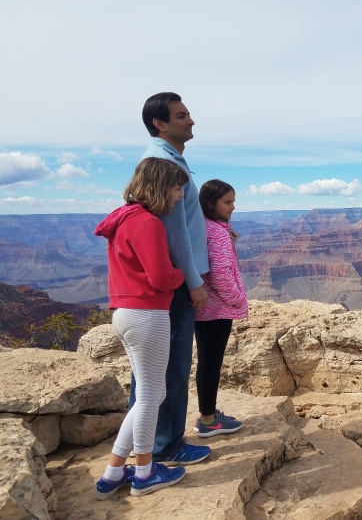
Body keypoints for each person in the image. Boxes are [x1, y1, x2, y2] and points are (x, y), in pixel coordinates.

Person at [93, 158, 189, 498]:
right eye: (177, 187)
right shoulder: (148, 223)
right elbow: (161, 277)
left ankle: (113, 472)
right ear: (162, 186)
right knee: (151, 395)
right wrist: (182, 275)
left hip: (126, 313)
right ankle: (145, 473)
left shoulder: (124, 218)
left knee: (150, 393)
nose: (179, 195)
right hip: (147, 314)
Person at [129, 92, 211, 466]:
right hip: (177, 282)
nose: (191, 120)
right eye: (182, 115)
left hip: (174, 279)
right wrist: (194, 282)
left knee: (153, 370)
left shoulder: (170, 159)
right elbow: (175, 231)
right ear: (160, 124)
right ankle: (165, 445)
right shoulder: (162, 162)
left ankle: (145, 442)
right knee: (171, 367)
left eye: (189, 114)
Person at [193, 180, 248, 437]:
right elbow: (221, 275)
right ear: (210, 203)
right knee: (212, 363)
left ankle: (206, 414)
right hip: (218, 308)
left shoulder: (202, 226)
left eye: (233, 201)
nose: (233, 207)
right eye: (227, 202)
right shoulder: (216, 231)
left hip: (203, 307)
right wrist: (236, 299)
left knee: (206, 361)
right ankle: (208, 419)